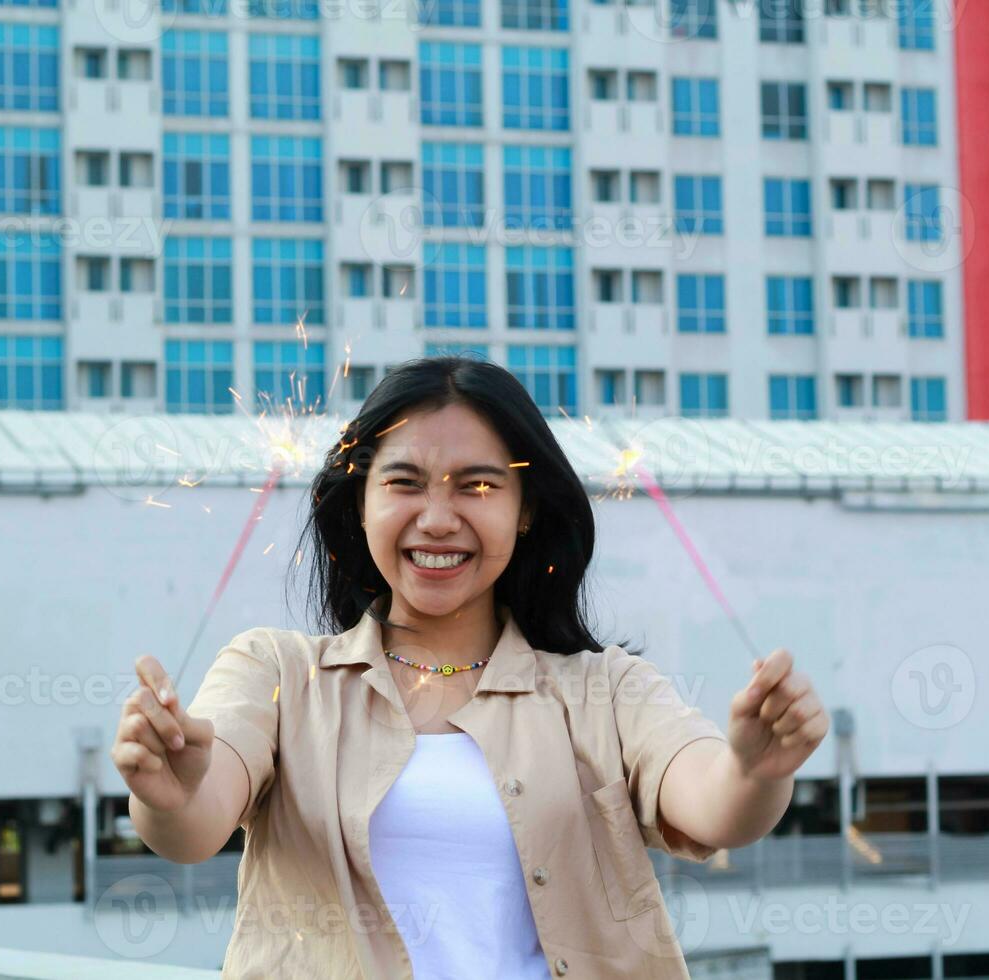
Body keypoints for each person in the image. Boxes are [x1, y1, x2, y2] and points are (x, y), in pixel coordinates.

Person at [112, 355, 830, 979]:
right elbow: (191, 827)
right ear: (360, 501)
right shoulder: (277, 674)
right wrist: (168, 793)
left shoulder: (605, 690)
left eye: (477, 486)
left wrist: (756, 770)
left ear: (524, 511)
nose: (437, 518)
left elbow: (714, 801)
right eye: (405, 483)